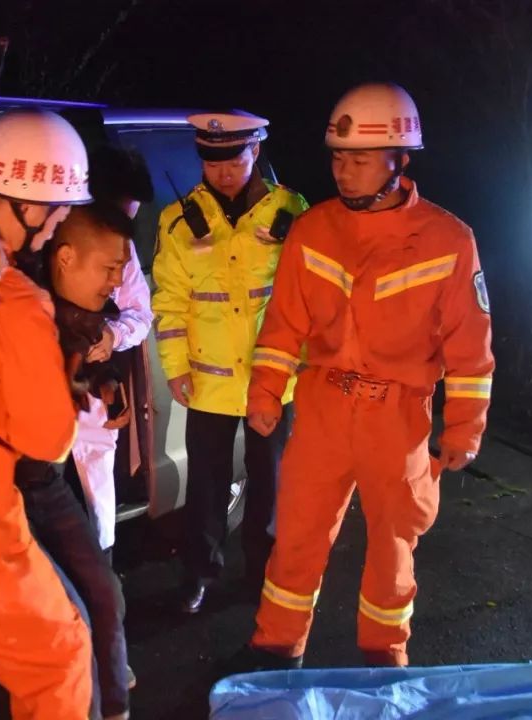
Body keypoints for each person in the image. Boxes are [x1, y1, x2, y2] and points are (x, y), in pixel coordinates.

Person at [237, 83, 494, 670]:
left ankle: (383, 655)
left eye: (358, 159)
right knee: (297, 536)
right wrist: (266, 391)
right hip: (324, 408)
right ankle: (275, 647)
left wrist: (463, 429)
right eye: (336, 157)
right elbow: (282, 324)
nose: (343, 171)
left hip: (397, 417)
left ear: (399, 160)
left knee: (393, 548)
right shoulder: (314, 229)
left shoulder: (449, 241)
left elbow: (471, 347)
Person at [0, 109, 95, 719]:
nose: (58, 225)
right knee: (59, 656)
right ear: (27, 205)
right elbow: (46, 438)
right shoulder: (17, 302)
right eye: (56, 211)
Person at [150, 111, 308, 613]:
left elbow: (308, 296)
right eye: (211, 160)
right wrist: (174, 367)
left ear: (255, 152)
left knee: (270, 484)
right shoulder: (177, 222)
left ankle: (263, 574)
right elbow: (170, 303)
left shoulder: (291, 211)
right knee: (208, 487)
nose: (222, 171)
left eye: (233, 159)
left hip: (272, 380)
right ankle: (200, 574)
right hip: (209, 380)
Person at [15, 204, 135, 720]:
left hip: (42, 480)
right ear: (65, 257)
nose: (117, 282)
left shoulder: (79, 325)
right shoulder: (19, 315)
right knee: (63, 623)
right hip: (1, 491)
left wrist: (102, 384)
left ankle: (115, 706)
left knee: (104, 591)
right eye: (109, 269)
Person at [68, 146, 155, 557]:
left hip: (90, 397)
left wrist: (110, 337)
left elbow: (140, 313)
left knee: (96, 504)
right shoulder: (47, 240)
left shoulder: (123, 250)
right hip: (37, 396)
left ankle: (102, 580)